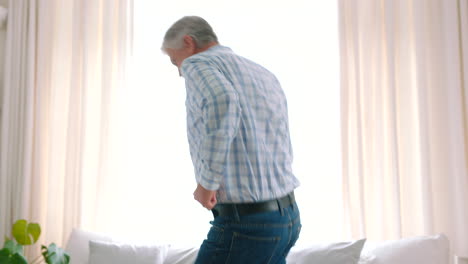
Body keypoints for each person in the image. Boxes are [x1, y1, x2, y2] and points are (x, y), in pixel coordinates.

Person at [162, 16, 301, 264]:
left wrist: (207, 183)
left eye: (175, 62)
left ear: (188, 43)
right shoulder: (261, 73)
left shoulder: (197, 64)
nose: (180, 73)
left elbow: (222, 102)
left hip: (248, 224)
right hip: (287, 218)